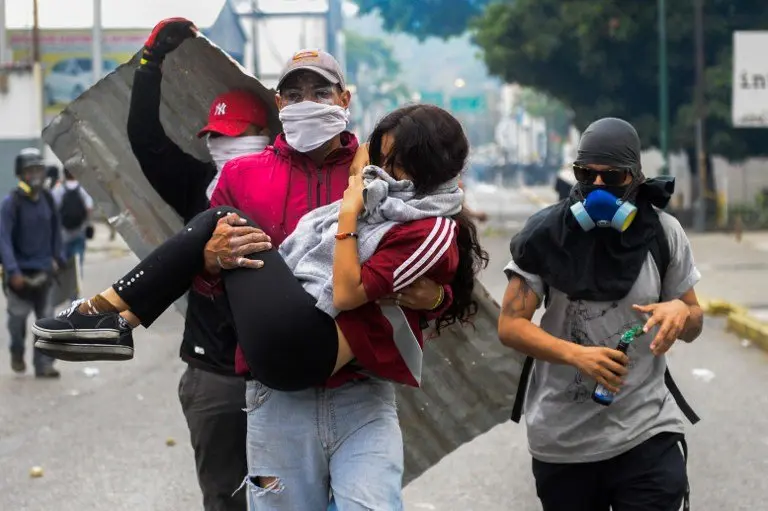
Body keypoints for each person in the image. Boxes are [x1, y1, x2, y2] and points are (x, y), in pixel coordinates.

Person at [34, 103, 486, 510]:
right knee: (220, 226)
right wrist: (214, 261)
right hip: (277, 387)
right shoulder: (284, 178)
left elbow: (407, 289)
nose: (382, 172)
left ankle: (111, 314)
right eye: (291, 93)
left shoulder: (402, 215)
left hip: (338, 379)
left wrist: (352, 212)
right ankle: (114, 317)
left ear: (343, 101)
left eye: (397, 163)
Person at [497, 117, 704, 511]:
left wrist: (681, 310)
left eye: (611, 178)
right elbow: (510, 326)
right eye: (584, 174)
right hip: (564, 444)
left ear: (636, 178)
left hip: (647, 432)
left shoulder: (663, 233)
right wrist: (576, 355)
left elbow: (694, 321)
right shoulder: (545, 235)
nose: (596, 187)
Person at [127, 17, 272, 511]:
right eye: (215, 134)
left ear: (266, 134)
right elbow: (145, 139)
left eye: (236, 134)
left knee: (290, 496)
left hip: (285, 376)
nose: (221, 143)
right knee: (224, 498)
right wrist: (150, 64)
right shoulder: (195, 186)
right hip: (214, 377)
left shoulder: (294, 189)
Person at [0, 148, 65, 378]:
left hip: (45, 272)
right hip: (20, 276)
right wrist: (12, 271)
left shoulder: (48, 199)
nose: (36, 174)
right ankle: (16, 352)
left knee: (46, 322)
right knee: (17, 323)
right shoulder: (11, 203)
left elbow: (56, 231)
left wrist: (58, 258)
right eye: (30, 171)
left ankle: (44, 364)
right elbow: (3, 240)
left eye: (39, 169)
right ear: (20, 174)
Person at [52, 168, 94, 280]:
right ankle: (75, 292)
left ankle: (64, 288)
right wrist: (88, 223)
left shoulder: (58, 190)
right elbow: (89, 208)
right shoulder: (83, 189)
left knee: (63, 263)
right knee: (77, 263)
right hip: (79, 230)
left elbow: (53, 211)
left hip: (63, 233)